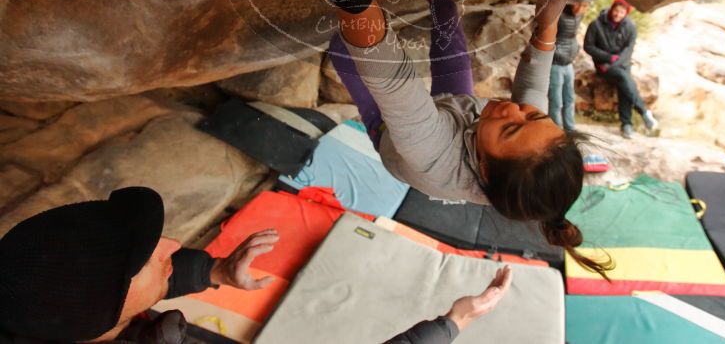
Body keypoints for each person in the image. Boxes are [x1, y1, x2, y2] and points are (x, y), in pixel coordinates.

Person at [294, 0, 611, 278]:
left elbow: (395, 83)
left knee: (344, 48)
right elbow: (532, 90)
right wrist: (550, 22)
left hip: (395, 138)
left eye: (511, 127)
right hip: (460, 115)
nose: (511, 108)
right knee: (451, 39)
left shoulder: (435, 158)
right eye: (533, 117)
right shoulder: (519, 144)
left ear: (481, 167)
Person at [0, 188, 510, 343]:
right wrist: (454, 321)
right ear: (103, 315)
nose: (173, 242)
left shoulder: (43, 305)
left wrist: (216, 273)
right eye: (147, 256)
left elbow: (134, 288)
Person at [583, 0, 657, 139]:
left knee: (624, 84)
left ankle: (627, 125)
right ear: (612, 9)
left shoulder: (630, 26)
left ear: (626, 14)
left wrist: (614, 63)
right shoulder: (596, 24)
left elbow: (629, 50)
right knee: (624, 78)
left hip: (622, 64)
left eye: (621, 13)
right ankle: (642, 114)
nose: (617, 15)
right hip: (603, 65)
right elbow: (588, 46)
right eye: (616, 11)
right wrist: (607, 58)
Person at [549, 3, 588, 131]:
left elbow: (573, 35)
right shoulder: (559, 14)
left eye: (584, 6)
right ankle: (556, 127)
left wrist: (576, 49)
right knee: (556, 98)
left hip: (569, 62)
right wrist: (555, 51)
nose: (580, 9)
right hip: (556, 62)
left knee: (570, 97)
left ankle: (570, 127)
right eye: (579, 5)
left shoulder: (579, 16)